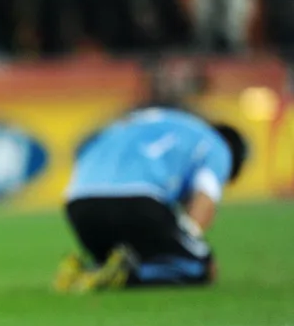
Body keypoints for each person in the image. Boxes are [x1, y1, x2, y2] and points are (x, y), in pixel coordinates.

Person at [55, 107, 247, 291]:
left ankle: (92, 269)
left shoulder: (165, 122)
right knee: (200, 267)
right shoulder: (218, 146)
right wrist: (185, 240)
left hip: (79, 205)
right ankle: (127, 276)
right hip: (137, 200)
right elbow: (203, 201)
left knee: (134, 255)